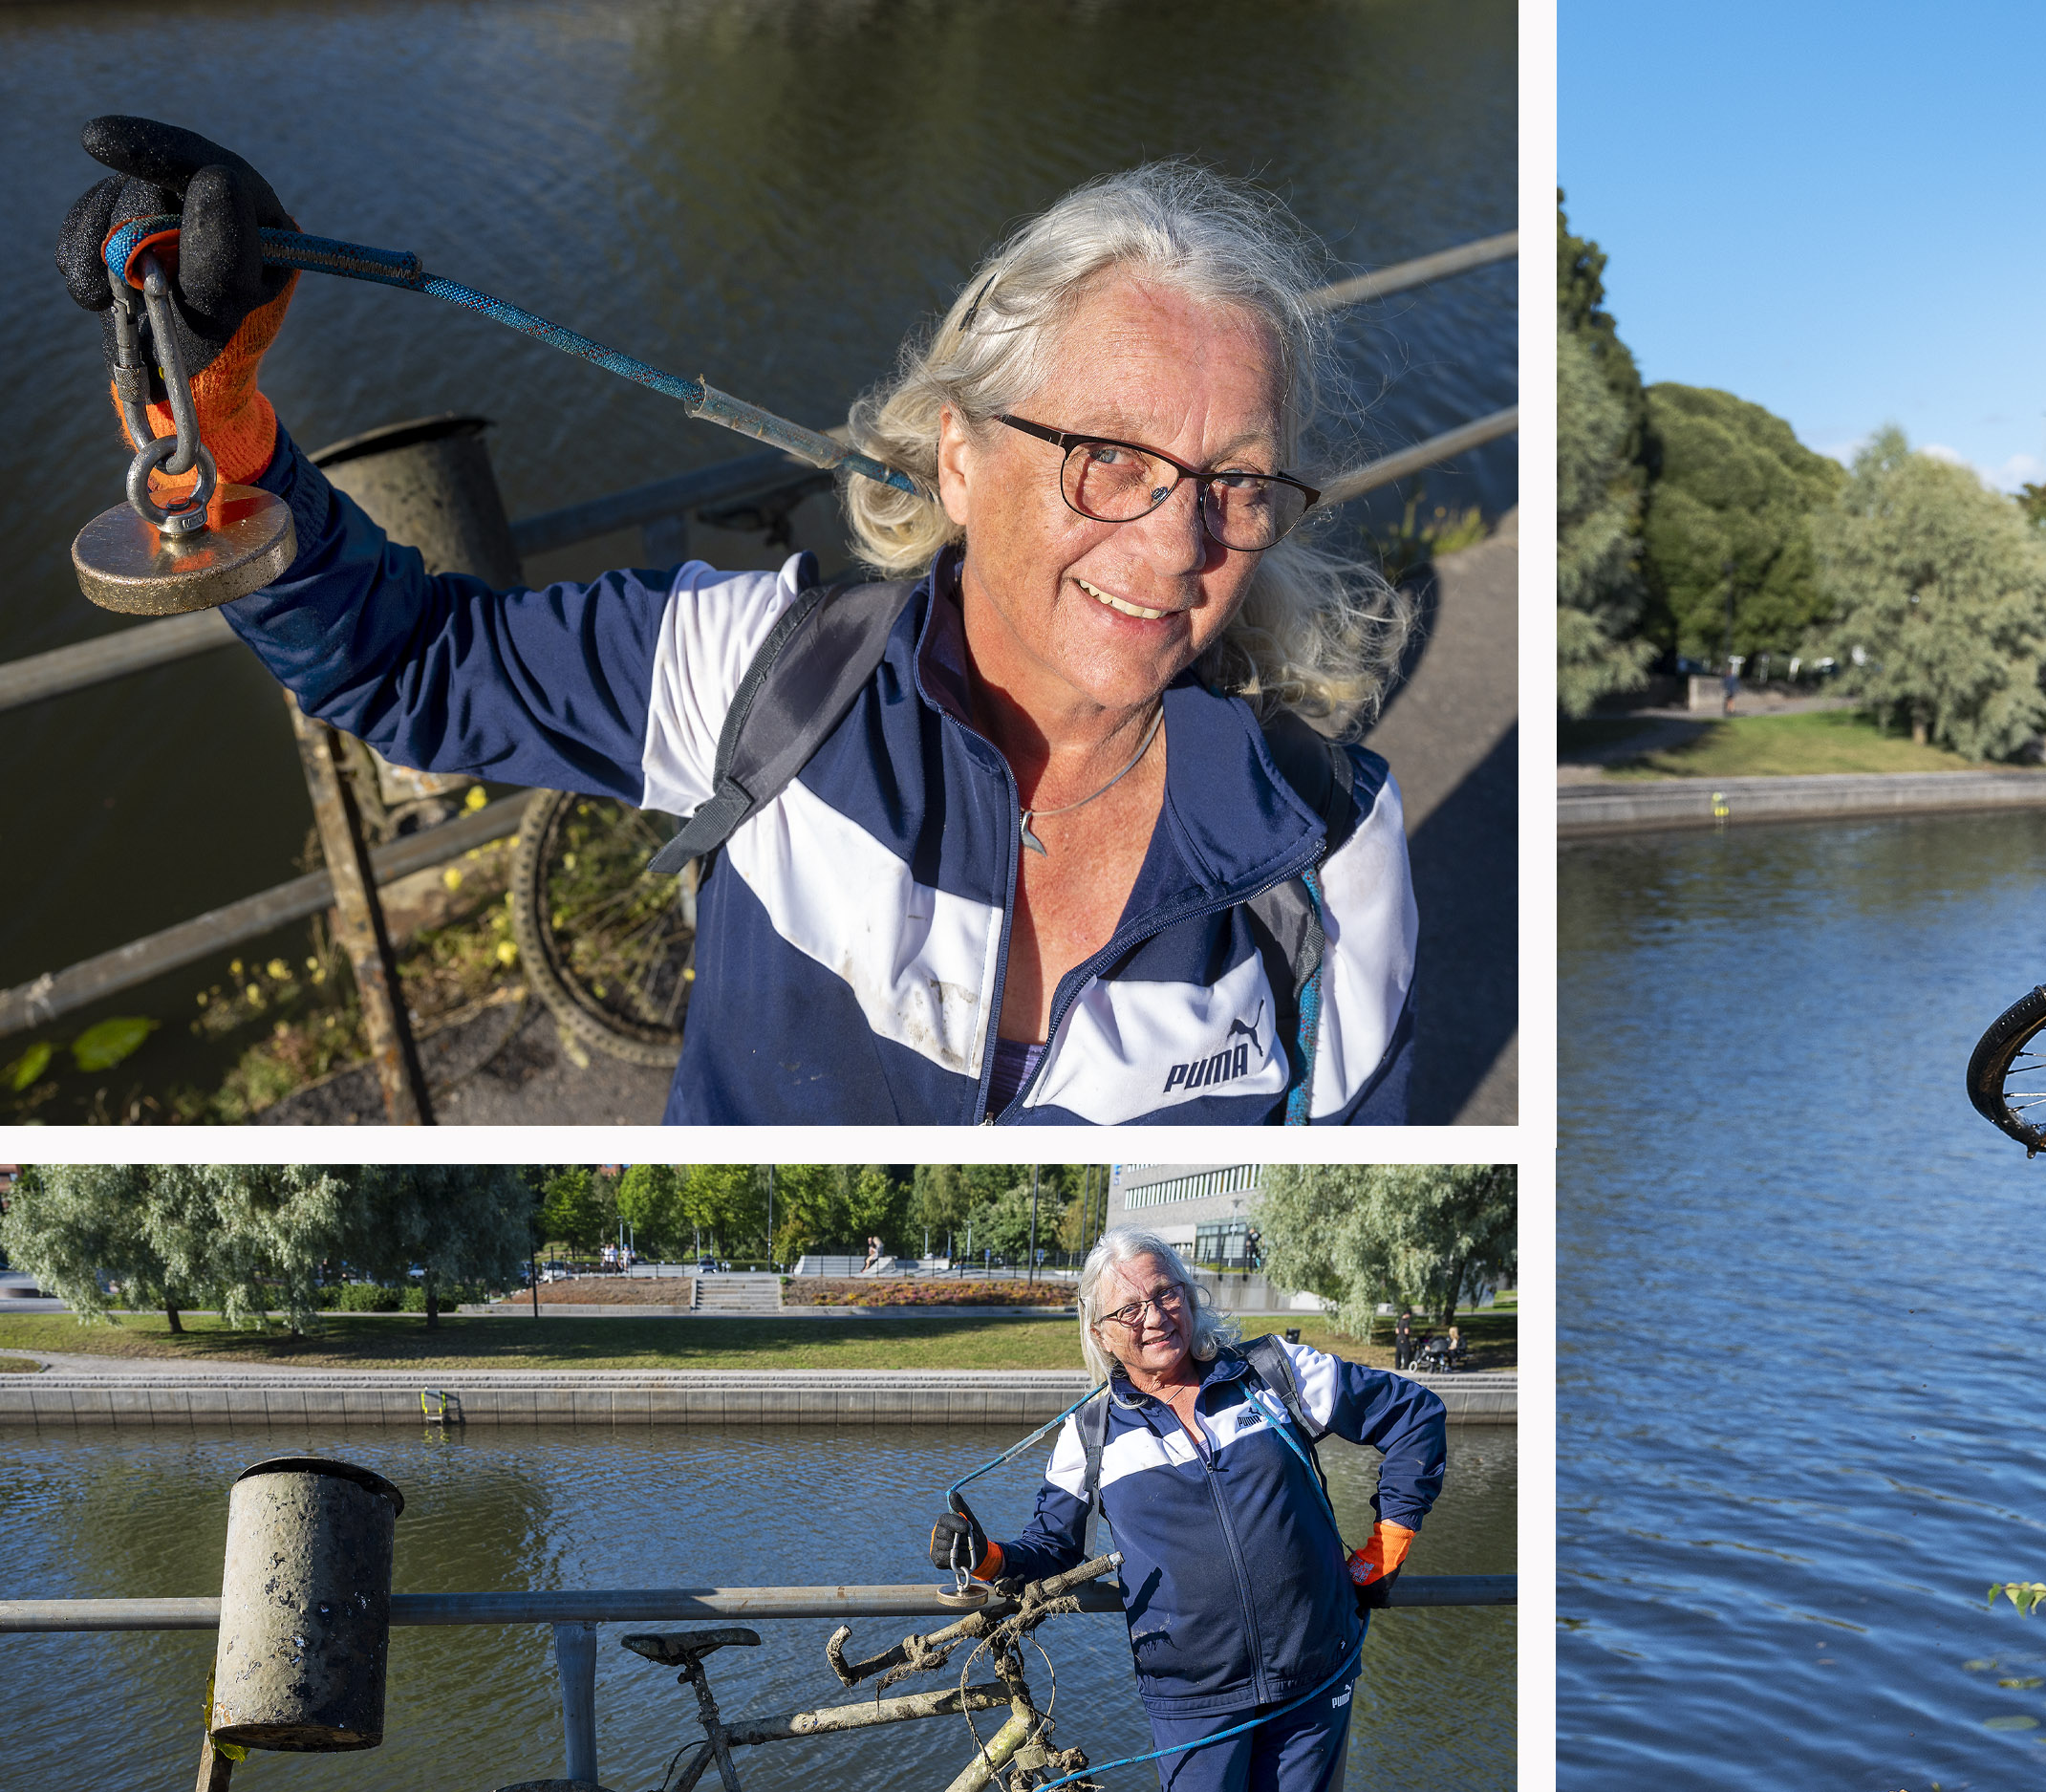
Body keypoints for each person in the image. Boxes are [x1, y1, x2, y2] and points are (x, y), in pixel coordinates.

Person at [49, 118, 1421, 1123]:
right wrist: (216, 443)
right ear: (960, 454)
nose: (1175, 540)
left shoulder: (1330, 844)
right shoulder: (764, 672)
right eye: (1106, 455)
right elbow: (411, 666)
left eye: (1235, 482)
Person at [937, 1230, 1444, 1792]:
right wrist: (987, 1560)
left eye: (1164, 1293)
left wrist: (1384, 1548)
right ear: (1099, 1331)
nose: (1153, 1316)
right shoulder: (1090, 1430)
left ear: (1190, 1295)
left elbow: (1414, 1415)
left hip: (1315, 1667)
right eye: (1126, 1308)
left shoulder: (1273, 1372)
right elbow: (1052, 1547)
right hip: (1191, 1685)